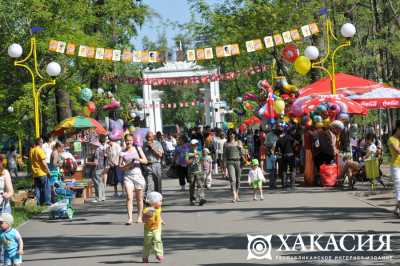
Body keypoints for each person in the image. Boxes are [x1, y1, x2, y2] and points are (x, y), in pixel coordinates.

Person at [119, 134, 148, 225]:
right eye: (127, 140)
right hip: (128, 176)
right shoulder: (122, 152)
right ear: (124, 141)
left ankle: (139, 217)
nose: (128, 142)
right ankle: (130, 218)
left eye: (130, 140)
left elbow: (145, 161)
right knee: (129, 197)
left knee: (139, 198)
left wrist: (137, 159)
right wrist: (128, 165)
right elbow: (120, 167)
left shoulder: (137, 149)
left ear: (133, 141)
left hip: (138, 175)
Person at [142, 191, 164, 263]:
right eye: (160, 201)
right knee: (147, 243)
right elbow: (143, 219)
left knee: (158, 240)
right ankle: (145, 256)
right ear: (153, 202)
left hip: (157, 228)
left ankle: (159, 254)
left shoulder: (159, 208)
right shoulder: (147, 210)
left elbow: (158, 215)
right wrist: (146, 217)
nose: (161, 202)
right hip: (148, 229)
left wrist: (161, 220)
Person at [223, 130, 244, 203]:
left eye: (233, 134)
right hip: (230, 162)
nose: (231, 135)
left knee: (238, 180)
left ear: (235, 134)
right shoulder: (226, 144)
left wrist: (241, 148)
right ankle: (234, 195)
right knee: (232, 179)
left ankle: (237, 193)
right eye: (230, 134)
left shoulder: (239, 142)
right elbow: (224, 156)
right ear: (228, 135)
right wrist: (224, 167)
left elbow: (243, 154)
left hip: (238, 161)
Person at [29, 138, 51, 206]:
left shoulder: (32, 151)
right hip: (42, 172)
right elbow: (44, 163)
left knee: (37, 188)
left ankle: (38, 203)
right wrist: (48, 171)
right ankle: (47, 202)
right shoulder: (40, 150)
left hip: (35, 173)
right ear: (40, 143)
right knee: (46, 188)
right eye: (42, 142)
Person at [86, 137, 107, 203]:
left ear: (94, 145)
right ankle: (102, 196)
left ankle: (98, 198)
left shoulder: (96, 151)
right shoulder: (101, 150)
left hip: (97, 168)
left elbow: (95, 162)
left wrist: (87, 163)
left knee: (97, 183)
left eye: (91, 145)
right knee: (101, 183)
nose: (91, 146)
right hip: (101, 167)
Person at [186, 139, 206, 206]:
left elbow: (201, 161)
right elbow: (187, 162)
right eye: (193, 145)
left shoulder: (199, 152)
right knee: (192, 186)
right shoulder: (188, 153)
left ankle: (201, 199)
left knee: (200, 185)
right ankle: (192, 199)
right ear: (191, 145)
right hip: (191, 172)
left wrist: (203, 166)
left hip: (199, 171)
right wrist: (193, 157)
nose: (195, 146)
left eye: (196, 144)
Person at [388, 121, 400, 217]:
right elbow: (397, 151)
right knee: (398, 185)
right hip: (396, 166)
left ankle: (396, 209)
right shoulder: (391, 139)